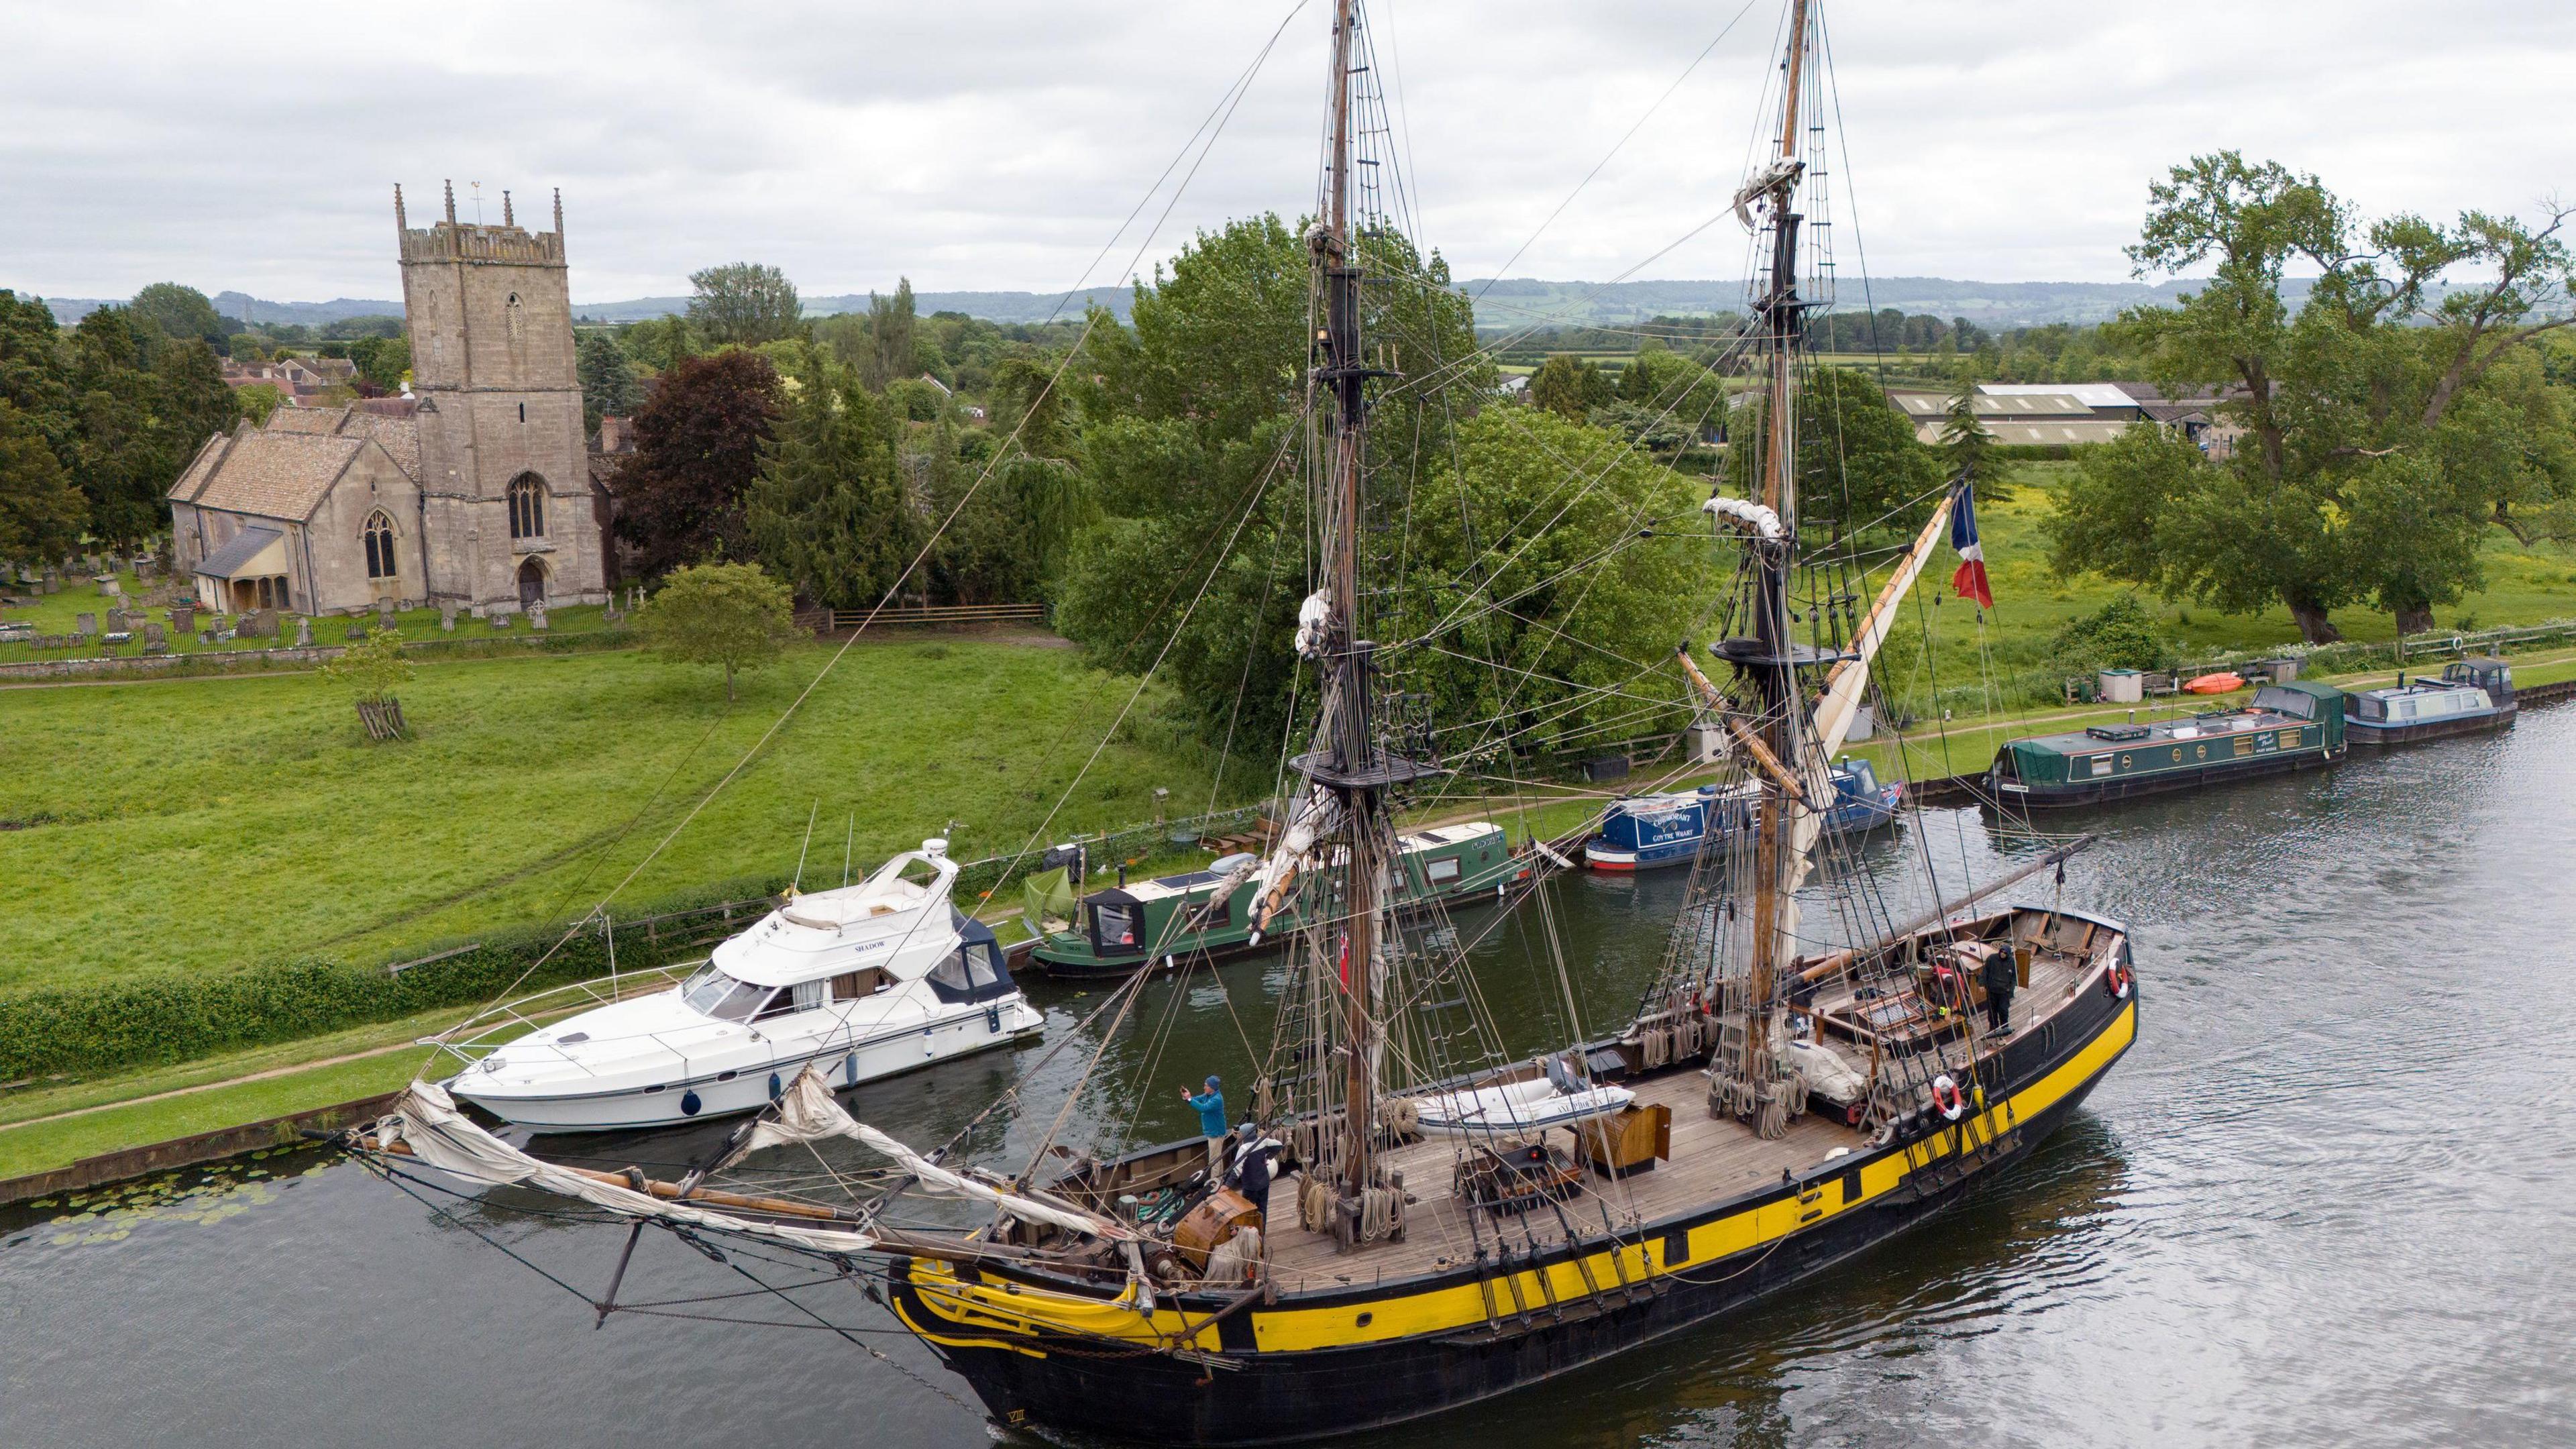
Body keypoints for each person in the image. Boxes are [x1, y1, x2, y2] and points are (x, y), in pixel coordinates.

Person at [1226, 1120, 1287, 1230]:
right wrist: (1268, 1157)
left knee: (1247, 1210)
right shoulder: (1263, 1142)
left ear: (1244, 1135)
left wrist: (1227, 1185)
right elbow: (1279, 1145)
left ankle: (1249, 1233)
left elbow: (1237, 1169)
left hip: (1251, 1186)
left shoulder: (1244, 1149)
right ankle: (1261, 1233)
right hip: (1264, 1182)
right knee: (1262, 1210)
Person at [1181, 1075, 1227, 1174]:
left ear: (1212, 1087)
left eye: (1206, 1086)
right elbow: (1197, 1099)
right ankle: (1220, 1178)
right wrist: (1187, 1098)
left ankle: (1214, 1184)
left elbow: (1204, 1108)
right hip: (1211, 1132)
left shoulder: (1217, 1099)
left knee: (1214, 1161)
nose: (1204, 1087)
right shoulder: (1208, 1095)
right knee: (1217, 1157)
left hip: (1216, 1133)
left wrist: (1190, 1100)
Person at [1980, 943, 2016, 1032]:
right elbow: (1985, 972)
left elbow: (2014, 977)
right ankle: (1993, 1028)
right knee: (1992, 1011)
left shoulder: (2012, 962)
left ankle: (2005, 1028)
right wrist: (1981, 984)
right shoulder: (1992, 959)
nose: (2003, 953)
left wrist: (2011, 990)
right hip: (1992, 990)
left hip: (2004, 992)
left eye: (2005, 952)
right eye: (2001, 951)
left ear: (2008, 953)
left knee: (2003, 1010)